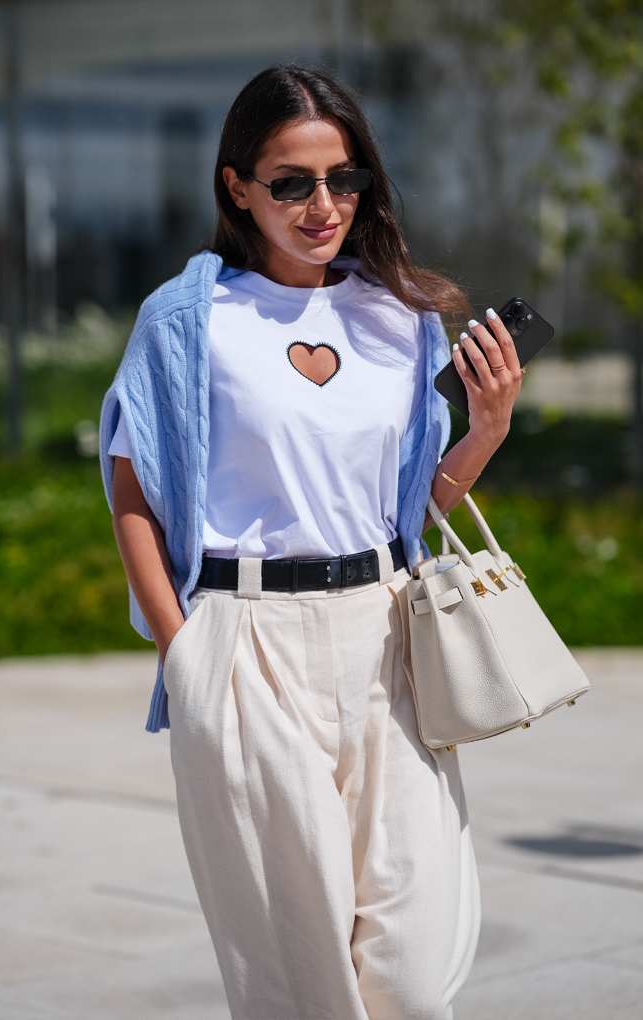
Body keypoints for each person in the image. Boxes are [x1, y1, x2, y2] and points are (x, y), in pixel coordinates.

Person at [98, 62, 524, 1020]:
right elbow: (134, 494)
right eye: (291, 181)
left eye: (344, 178)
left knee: (412, 977)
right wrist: (189, 655)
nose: (323, 204)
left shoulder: (400, 316)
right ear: (238, 187)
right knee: (302, 982)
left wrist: (485, 429)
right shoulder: (187, 320)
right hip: (245, 644)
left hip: (388, 639)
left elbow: (407, 512)